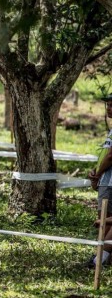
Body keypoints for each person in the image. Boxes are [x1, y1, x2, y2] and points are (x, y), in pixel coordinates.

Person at [88, 94, 112, 267]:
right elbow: (106, 154)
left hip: (110, 182)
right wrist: (96, 171)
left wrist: (98, 174)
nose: (109, 108)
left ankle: (99, 260)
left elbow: (111, 156)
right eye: (108, 105)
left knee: (105, 221)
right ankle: (103, 259)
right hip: (106, 178)